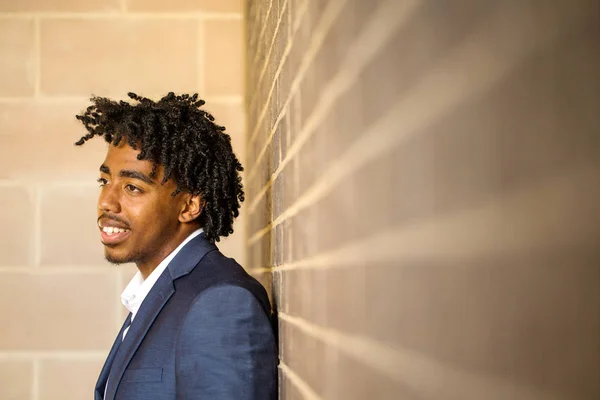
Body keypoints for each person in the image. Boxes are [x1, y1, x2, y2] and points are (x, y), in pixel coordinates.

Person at [75, 92, 277, 400]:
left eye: (132, 187)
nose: (106, 202)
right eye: (105, 182)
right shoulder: (162, 290)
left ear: (191, 205)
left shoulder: (220, 303)